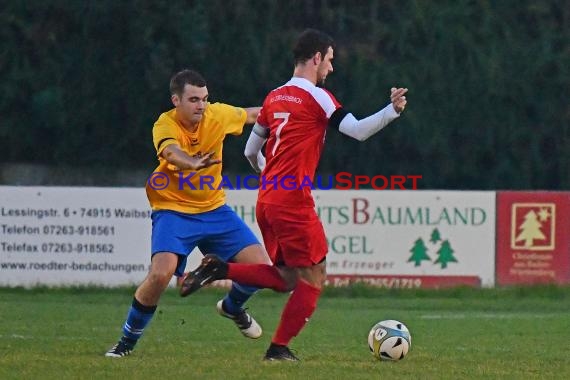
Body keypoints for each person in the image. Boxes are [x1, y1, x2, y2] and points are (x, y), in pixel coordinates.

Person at [180, 29, 408, 361]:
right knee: (314, 275)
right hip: (292, 202)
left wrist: (272, 178)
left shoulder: (274, 97)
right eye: (329, 60)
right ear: (317, 58)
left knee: (288, 277)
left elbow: (249, 150)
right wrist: (392, 111)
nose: (330, 68)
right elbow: (358, 131)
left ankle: (220, 269)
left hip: (267, 199)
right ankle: (278, 349)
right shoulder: (318, 97)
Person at [105, 69, 272, 357]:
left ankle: (232, 308)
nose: (201, 106)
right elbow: (170, 153)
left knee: (260, 270)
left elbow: (254, 115)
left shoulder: (216, 115)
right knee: (160, 275)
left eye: (205, 99)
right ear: (176, 100)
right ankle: (125, 343)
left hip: (214, 209)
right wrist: (191, 164)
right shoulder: (165, 124)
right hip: (173, 210)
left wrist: (292, 111)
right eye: (194, 99)